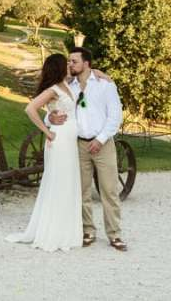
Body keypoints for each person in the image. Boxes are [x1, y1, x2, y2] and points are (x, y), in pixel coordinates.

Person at [48, 47, 127, 252]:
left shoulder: (105, 85)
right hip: (78, 145)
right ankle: (88, 231)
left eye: (74, 61)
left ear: (86, 63)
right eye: (69, 61)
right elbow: (51, 109)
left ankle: (115, 234)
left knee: (109, 190)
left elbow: (115, 117)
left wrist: (100, 140)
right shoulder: (68, 86)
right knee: (81, 191)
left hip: (103, 144)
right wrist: (50, 119)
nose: (70, 64)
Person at [5, 53, 82, 252]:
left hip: (70, 141)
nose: (69, 66)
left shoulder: (68, 85)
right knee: (58, 183)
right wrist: (47, 131)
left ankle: (67, 231)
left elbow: (89, 74)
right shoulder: (53, 89)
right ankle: (52, 232)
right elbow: (30, 109)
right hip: (59, 140)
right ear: (58, 67)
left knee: (68, 183)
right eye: (65, 64)